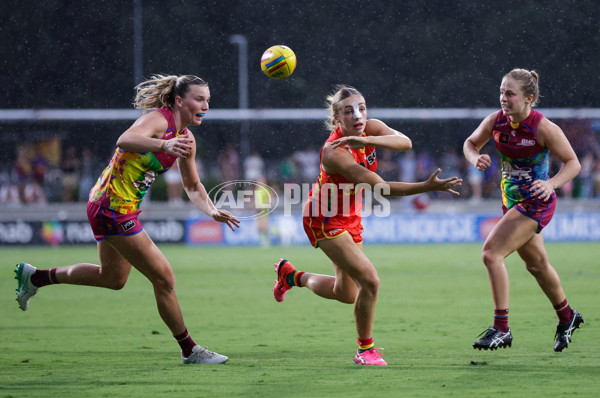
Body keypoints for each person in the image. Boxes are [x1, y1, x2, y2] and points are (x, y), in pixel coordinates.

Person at [15, 74, 240, 364]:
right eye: (199, 99)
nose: (205, 105)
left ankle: (35, 277)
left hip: (111, 205)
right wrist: (163, 146)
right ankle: (190, 350)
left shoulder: (187, 139)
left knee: (112, 278)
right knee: (164, 277)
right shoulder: (160, 120)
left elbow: (193, 186)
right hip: (112, 206)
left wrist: (211, 210)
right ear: (179, 100)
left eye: (208, 100)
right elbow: (125, 139)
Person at [272, 85, 462, 366]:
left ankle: (291, 276)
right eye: (348, 111)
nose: (357, 115)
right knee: (370, 281)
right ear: (337, 119)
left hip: (350, 217)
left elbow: (405, 142)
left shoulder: (369, 128)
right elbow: (381, 188)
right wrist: (426, 186)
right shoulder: (333, 152)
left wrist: (369, 140)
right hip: (323, 218)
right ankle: (365, 350)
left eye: (361, 108)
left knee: (346, 294)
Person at [463, 68, 583, 352]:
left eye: (510, 94)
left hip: (536, 202)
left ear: (529, 98)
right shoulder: (496, 121)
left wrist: (551, 184)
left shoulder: (544, 128)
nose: (503, 98)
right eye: (502, 92)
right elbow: (470, 143)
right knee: (537, 265)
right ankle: (568, 317)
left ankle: (501, 328)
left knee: (491, 254)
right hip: (511, 202)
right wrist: (474, 157)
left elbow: (573, 163)